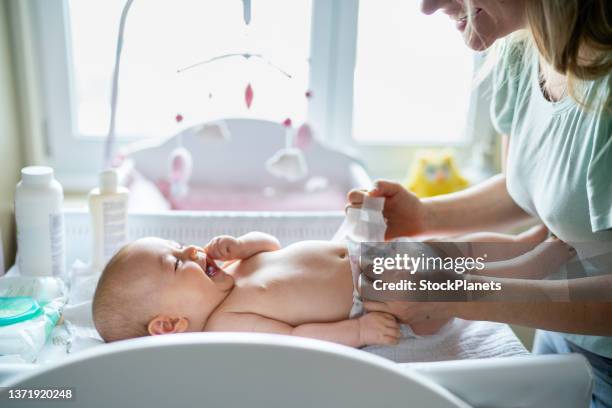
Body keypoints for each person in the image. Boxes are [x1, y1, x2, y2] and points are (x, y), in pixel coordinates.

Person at [348, 1, 611, 406]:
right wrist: (425, 215)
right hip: (558, 333)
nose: (427, 6)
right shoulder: (522, 50)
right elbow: (532, 186)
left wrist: (458, 293)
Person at [92, 228, 569, 347]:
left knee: (453, 250)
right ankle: (526, 270)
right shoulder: (228, 322)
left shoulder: (231, 269)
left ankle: (522, 246)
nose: (193, 252)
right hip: (375, 293)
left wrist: (242, 242)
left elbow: (273, 246)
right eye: (178, 263)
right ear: (170, 324)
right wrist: (358, 333)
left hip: (366, 257)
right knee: (451, 279)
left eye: (182, 246)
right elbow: (299, 341)